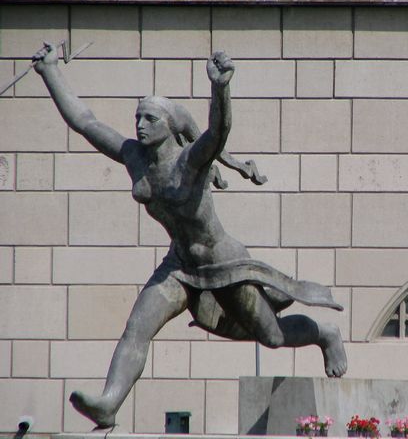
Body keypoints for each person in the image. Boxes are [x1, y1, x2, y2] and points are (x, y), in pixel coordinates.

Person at [32, 43, 348, 429]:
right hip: (179, 265)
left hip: (222, 263)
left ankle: (324, 334)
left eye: (150, 118)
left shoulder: (191, 160)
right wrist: (50, 71)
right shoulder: (133, 157)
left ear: (170, 126)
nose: (140, 125)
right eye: (137, 117)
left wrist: (220, 88)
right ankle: (109, 403)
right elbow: (85, 121)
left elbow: (218, 132)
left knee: (273, 336)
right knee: (137, 327)